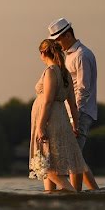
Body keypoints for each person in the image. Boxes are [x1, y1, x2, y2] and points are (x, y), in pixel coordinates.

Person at [29, 39, 90, 192]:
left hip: (50, 121)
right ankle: (51, 199)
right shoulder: (65, 73)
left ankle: (71, 192)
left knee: (44, 165)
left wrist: (41, 126)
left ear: (43, 53)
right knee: (52, 164)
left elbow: (48, 101)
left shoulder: (50, 72)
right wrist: (75, 125)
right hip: (61, 119)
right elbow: (73, 104)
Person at [48, 18, 100, 191]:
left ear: (68, 34)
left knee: (73, 159)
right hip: (74, 112)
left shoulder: (82, 55)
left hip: (81, 112)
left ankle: (75, 195)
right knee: (77, 158)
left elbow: (83, 89)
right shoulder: (72, 56)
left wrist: (74, 117)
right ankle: (95, 192)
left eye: (59, 40)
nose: (58, 45)